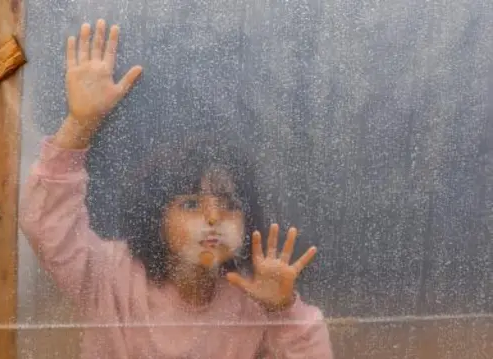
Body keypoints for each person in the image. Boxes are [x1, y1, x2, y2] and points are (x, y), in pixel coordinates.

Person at [19, 19, 333, 359]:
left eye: (228, 204)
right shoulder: (109, 274)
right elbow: (46, 225)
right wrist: (80, 123)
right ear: (157, 214)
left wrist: (285, 310)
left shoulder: (252, 297)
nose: (214, 217)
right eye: (192, 204)